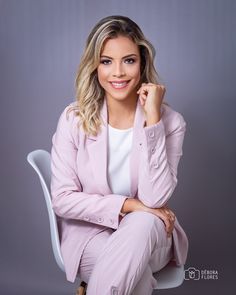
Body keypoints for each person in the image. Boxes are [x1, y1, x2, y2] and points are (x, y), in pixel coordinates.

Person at [50, 15, 188, 295]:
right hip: (90, 236)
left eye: (128, 60)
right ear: (94, 66)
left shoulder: (171, 122)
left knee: (145, 220)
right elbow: (63, 201)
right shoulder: (73, 119)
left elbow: (155, 199)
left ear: (142, 63)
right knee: (134, 276)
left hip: (151, 239)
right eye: (106, 61)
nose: (118, 73)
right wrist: (129, 205)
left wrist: (153, 122)